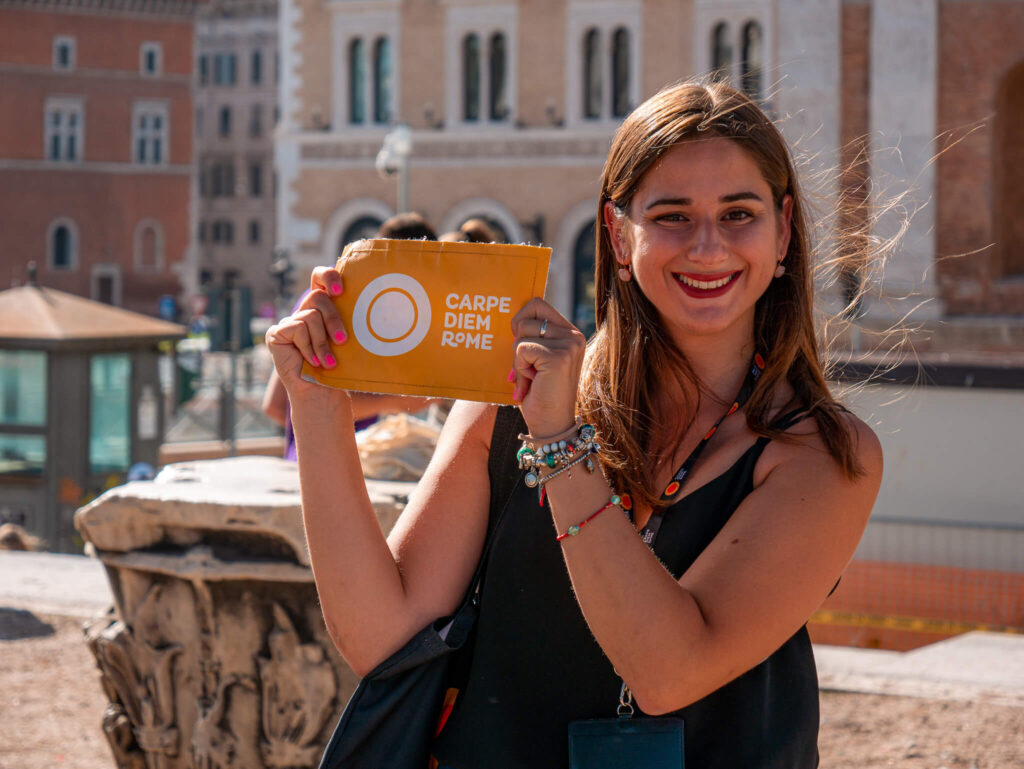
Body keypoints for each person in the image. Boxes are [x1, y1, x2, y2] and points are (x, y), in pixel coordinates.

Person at [266, 80, 883, 767]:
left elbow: (668, 671)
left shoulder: (823, 455)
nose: (708, 246)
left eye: (739, 213)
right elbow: (384, 635)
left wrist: (561, 443)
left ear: (784, 231)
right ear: (619, 235)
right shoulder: (510, 399)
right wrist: (316, 405)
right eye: (672, 216)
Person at [262, 212, 440, 459]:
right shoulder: (339, 304)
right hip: (344, 468)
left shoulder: (315, 297)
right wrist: (395, 401)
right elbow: (291, 404)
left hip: (305, 464)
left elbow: (274, 404)